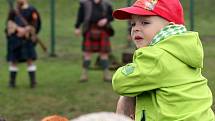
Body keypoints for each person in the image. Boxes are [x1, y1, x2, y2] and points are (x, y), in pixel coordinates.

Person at [111, 0, 215, 121]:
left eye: (145, 22)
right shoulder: (183, 51)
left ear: (169, 27)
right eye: (133, 24)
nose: (136, 29)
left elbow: (121, 83)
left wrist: (126, 71)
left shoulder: (157, 56)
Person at [74, 0, 114, 82]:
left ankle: (106, 75)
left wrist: (106, 20)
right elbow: (80, 16)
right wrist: (77, 27)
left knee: (104, 53)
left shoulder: (106, 4)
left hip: (103, 30)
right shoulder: (85, 4)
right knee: (87, 54)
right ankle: (84, 75)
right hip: (89, 29)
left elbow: (111, 16)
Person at [5, 0, 41, 88]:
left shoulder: (32, 10)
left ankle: (33, 82)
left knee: (29, 60)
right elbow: (9, 23)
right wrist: (17, 29)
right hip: (15, 39)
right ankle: (12, 83)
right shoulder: (13, 10)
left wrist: (26, 30)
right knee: (14, 61)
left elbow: (36, 24)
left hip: (27, 39)